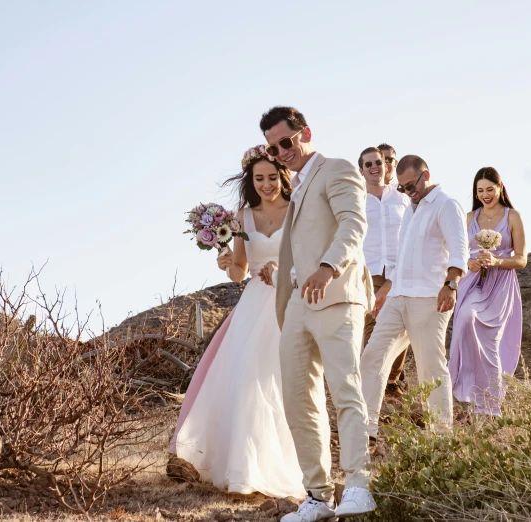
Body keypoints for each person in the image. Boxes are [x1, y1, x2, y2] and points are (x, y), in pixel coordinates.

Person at [258, 106, 376, 521]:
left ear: (305, 132)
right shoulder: (296, 186)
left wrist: (329, 267)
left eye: (286, 142)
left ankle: (359, 485)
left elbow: (353, 224)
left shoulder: (338, 169)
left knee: (345, 390)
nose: (281, 152)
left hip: (337, 294)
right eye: (274, 149)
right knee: (297, 399)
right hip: (297, 305)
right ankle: (318, 495)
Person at [170, 145, 304, 498]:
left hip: (289, 300)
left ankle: (278, 464)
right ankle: (241, 469)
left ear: (283, 176)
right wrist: (227, 263)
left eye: (272, 177)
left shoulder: (297, 209)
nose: (266, 185)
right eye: (259, 179)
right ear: (251, 180)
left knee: (277, 380)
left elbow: (307, 256)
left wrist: (283, 270)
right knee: (245, 375)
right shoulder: (244, 215)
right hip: (254, 303)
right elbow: (240, 273)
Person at [360, 155, 469, 438]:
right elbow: (403, 256)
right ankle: (364, 430)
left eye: (412, 186)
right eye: (403, 188)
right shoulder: (411, 209)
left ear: (426, 175)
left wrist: (452, 283)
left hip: (430, 298)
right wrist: (386, 289)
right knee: (372, 356)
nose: (409, 192)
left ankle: (441, 438)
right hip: (399, 296)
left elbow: (459, 249)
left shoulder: (446, 205)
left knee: (430, 367)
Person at [449, 167, 527, 416]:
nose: (485, 194)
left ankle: (491, 403)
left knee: (491, 342)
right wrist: (469, 264)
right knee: (465, 319)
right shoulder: (469, 218)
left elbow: (521, 259)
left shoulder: (512, 216)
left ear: (500, 187)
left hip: (501, 283)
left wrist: (496, 261)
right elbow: (458, 253)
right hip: (472, 281)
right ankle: (465, 387)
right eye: (480, 190)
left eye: (490, 189)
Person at [358, 146, 410, 394]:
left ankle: (391, 381)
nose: (374, 167)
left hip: (402, 270)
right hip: (371, 271)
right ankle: (368, 381)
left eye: (378, 162)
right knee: (373, 324)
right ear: (361, 170)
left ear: (386, 165)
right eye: (368, 164)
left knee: (403, 325)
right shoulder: (356, 200)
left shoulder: (402, 198)